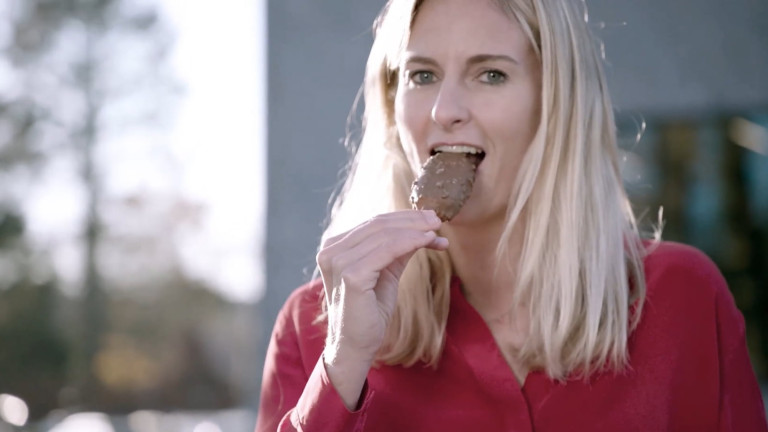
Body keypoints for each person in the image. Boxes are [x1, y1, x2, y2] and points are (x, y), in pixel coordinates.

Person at [255, 0, 768, 430]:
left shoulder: (683, 299)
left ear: (555, 103)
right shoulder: (317, 328)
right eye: (422, 75)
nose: (444, 110)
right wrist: (342, 366)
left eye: (491, 74)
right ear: (391, 105)